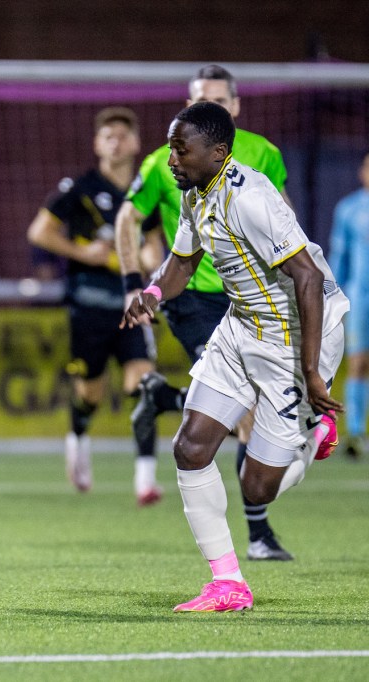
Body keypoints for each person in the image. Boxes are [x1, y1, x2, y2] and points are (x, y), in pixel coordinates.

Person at [123, 101, 347, 612]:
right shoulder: (195, 192)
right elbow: (181, 262)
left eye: (182, 149)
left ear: (218, 152)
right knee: (190, 447)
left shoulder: (253, 198)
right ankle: (228, 584)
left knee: (257, 488)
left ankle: (315, 434)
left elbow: (309, 278)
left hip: (293, 338)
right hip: (240, 325)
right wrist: (153, 296)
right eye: (171, 147)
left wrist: (312, 373)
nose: (172, 159)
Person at [115, 64, 296, 561]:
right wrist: (141, 286)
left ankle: (163, 397)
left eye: (216, 100)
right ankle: (256, 535)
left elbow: (285, 219)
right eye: (199, 99)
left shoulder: (264, 157)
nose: (206, 107)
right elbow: (130, 218)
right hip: (193, 296)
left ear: (234, 108)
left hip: (252, 301)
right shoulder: (165, 161)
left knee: (247, 410)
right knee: (240, 415)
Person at [28, 107, 165, 503]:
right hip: (88, 304)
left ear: (136, 143)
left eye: (123, 134)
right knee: (89, 392)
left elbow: (155, 246)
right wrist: (84, 254)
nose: (115, 141)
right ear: (96, 144)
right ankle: (78, 438)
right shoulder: (81, 187)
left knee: (143, 383)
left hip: (133, 305)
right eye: (107, 135)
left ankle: (145, 481)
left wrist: (148, 258)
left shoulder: (146, 191)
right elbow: (39, 231)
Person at [329, 152, 369, 459]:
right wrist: (330, 296)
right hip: (360, 297)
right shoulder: (349, 209)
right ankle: (355, 432)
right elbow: (338, 257)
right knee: (358, 362)